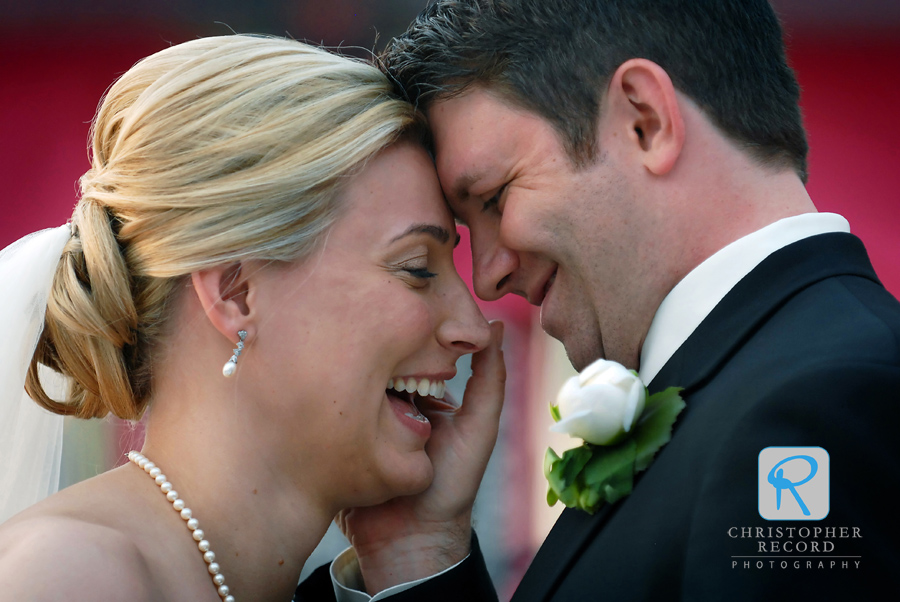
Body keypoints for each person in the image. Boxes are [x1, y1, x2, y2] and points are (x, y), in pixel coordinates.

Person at [295, 1, 900, 600]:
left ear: (645, 120)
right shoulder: (774, 382)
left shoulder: (823, 403)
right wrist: (420, 550)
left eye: (496, 197)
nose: (486, 277)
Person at [0, 34, 506, 601]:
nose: (473, 326)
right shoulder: (72, 577)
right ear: (236, 292)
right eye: (415, 267)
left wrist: (419, 551)